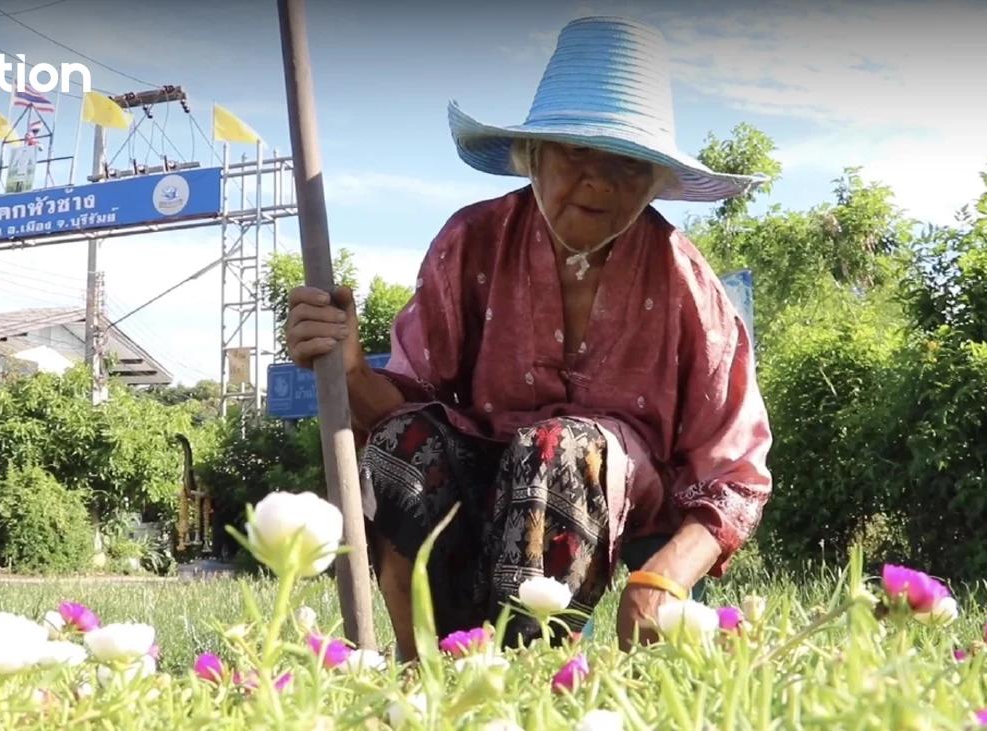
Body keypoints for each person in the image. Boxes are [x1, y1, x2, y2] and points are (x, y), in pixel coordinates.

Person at [285, 16, 772, 656]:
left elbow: (735, 475)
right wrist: (348, 371)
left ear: (654, 182)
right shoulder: (473, 244)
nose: (597, 181)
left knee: (557, 447)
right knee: (407, 445)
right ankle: (422, 669)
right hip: (484, 475)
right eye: (574, 153)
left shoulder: (687, 285)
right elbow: (408, 414)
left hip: (616, 491)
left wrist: (663, 577)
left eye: (625, 164)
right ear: (532, 156)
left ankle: (529, 673)